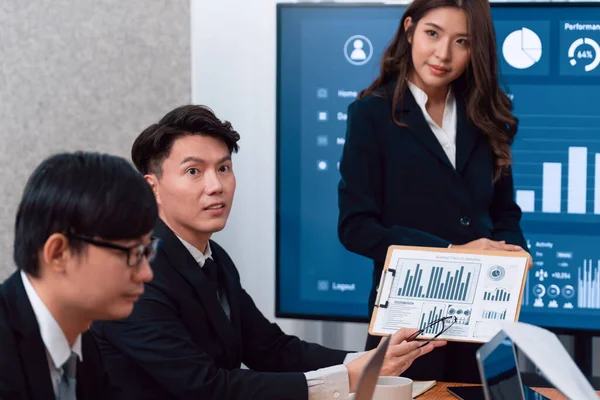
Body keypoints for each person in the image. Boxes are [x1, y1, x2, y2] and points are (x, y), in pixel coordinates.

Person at [91, 105, 446, 400]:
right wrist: (347, 376)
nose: (215, 186)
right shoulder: (132, 274)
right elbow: (204, 387)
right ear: (152, 188)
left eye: (223, 168)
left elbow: (270, 349)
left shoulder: (213, 257)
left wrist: (369, 359)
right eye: (194, 171)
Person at [337, 0, 530, 384]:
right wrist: (453, 255)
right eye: (432, 34)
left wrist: (513, 255)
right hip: (408, 326)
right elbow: (356, 228)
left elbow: (504, 212)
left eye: (462, 41)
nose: (444, 54)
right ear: (410, 29)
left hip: (482, 321)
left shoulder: (488, 115)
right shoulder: (371, 115)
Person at [0, 152, 158, 400]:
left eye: (146, 251)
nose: (146, 273)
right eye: (132, 252)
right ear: (59, 253)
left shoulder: (83, 340)